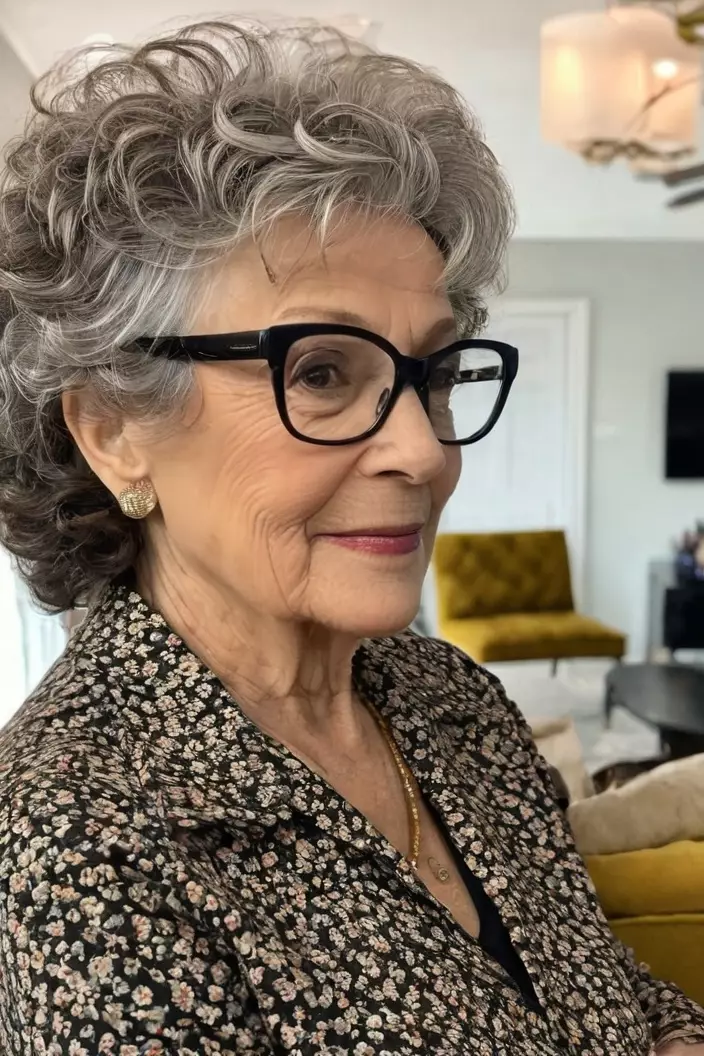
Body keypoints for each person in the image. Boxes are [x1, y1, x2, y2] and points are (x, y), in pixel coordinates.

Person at [0, 20, 701, 1056]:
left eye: (434, 374)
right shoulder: (79, 837)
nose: (423, 451)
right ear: (113, 429)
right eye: (321, 372)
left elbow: (596, 982)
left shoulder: (452, 699)